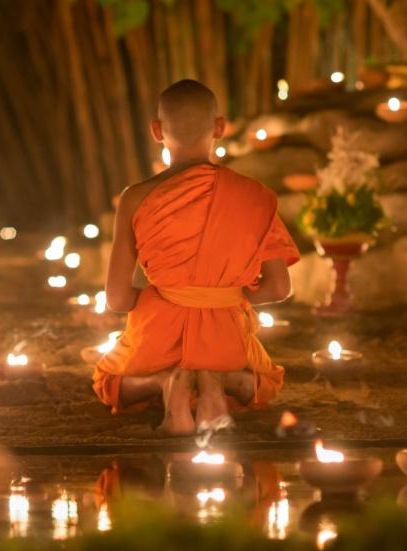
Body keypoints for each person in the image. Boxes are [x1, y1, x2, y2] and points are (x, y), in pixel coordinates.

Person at [93, 79, 299, 435]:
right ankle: (216, 384)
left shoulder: (135, 198)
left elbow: (117, 298)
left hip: (156, 336)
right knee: (262, 382)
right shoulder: (254, 196)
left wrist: (164, 299)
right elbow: (279, 287)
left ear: (156, 131)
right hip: (227, 337)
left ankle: (165, 382)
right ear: (220, 127)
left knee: (108, 382)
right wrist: (227, 297)